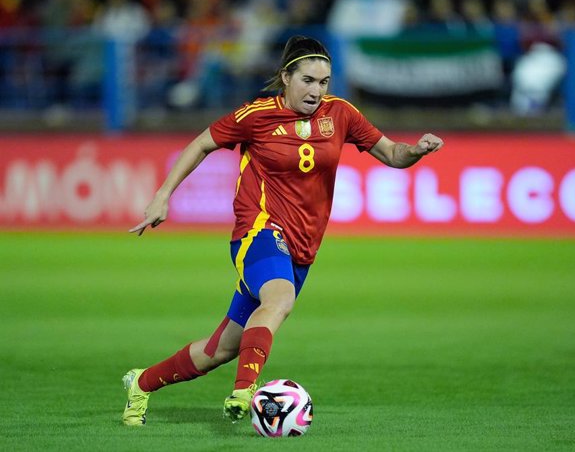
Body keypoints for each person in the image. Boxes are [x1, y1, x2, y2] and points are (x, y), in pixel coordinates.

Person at [121, 35, 443, 427]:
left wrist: (416, 150)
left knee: (220, 349)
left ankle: (141, 382)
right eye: (308, 80)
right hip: (258, 229)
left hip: (302, 248)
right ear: (287, 77)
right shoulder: (256, 115)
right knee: (279, 299)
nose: (316, 90)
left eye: (323, 82)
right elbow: (201, 144)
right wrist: (163, 195)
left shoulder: (339, 114)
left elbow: (393, 153)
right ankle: (245, 392)